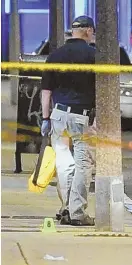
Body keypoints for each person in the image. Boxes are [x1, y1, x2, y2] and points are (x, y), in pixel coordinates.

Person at [41, 15, 96, 226]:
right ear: (89, 31)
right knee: (83, 164)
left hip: (58, 115)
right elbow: (101, 90)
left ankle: (65, 207)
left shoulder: (55, 55)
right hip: (81, 116)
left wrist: (46, 118)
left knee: (64, 163)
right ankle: (77, 212)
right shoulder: (93, 56)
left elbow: (46, 92)